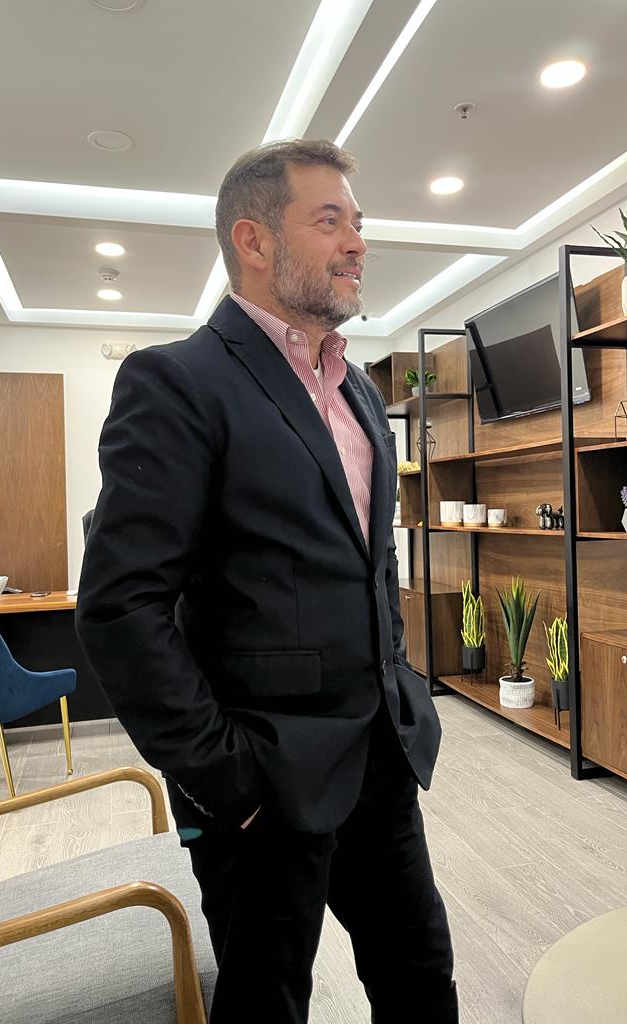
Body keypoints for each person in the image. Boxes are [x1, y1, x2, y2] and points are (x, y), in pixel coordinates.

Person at [76, 138, 458, 1024]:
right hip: (263, 783)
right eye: (329, 221)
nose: (358, 242)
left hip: (381, 758)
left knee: (421, 978)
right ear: (254, 241)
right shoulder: (178, 382)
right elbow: (121, 607)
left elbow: (370, 563)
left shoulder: (358, 391)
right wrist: (226, 779)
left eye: (357, 222)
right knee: (265, 1005)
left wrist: (401, 687)